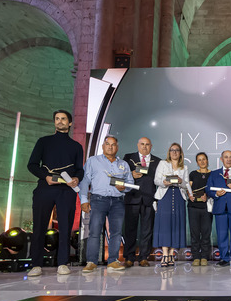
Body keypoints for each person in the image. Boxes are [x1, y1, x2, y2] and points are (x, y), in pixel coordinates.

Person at [26, 110, 84, 277]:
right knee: (39, 226)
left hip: (66, 191)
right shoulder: (43, 142)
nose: (60, 121)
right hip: (45, 188)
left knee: (66, 228)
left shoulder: (76, 146)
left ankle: (63, 263)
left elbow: (80, 169)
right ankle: (36, 264)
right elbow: (32, 165)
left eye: (63, 119)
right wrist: (46, 177)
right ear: (54, 122)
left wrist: (76, 179)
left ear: (70, 123)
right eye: (57, 119)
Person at [79, 135, 133, 273]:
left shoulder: (124, 164)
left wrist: (124, 188)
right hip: (98, 200)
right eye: (107, 144)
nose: (110, 147)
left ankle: (113, 261)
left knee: (116, 232)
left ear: (117, 147)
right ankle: (91, 262)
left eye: (113, 144)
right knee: (95, 231)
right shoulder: (93, 161)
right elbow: (84, 181)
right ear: (103, 146)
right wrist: (84, 200)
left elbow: (130, 183)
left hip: (118, 201)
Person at [122, 137, 161, 267]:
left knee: (147, 230)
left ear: (151, 146)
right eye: (142, 144)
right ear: (138, 145)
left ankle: (144, 257)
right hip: (132, 198)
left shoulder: (158, 161)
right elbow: (121, 174)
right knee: (130, 230)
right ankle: (129, 257)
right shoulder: (128, 158)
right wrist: (131, 174)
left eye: (147, 144)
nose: (144, 146)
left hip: (149, 199)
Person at [152, 143, 189, 267]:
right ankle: (165, 254)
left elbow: (186, 185)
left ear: (180, 153)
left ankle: (172, 253)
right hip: (165, 196)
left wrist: (181, 181)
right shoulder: (163, 163)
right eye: (172, 150)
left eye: (177, 150)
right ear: (169, 152)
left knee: (176, 225)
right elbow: (156, 180)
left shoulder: (184, 167)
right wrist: (164, 182)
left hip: (179, 196)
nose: (174, 152)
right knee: (165, 225)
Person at [188, 152, 213, 266]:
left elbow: (213, 190)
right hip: (193, 207)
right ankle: (196, 257)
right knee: (195, 233)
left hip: (207, 207)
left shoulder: (212, 174)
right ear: (197, 162)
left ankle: (204, 257)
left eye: (204, 159)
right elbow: (188, 189)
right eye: (199, 160)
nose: (202, 162)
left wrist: (207, 196)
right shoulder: (193, 174)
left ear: (207, 160)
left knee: (206, 233)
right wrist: (189, 195)